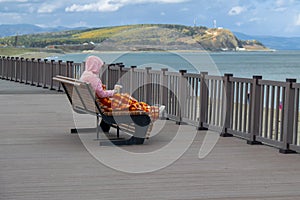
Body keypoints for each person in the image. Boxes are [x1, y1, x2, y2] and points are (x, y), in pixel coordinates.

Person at [79, 56, 165, 120]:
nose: (100, 68)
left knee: (126, 99)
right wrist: (114, 91)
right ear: (95, 66)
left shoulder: (85, 75)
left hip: (96, 104)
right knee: (128, 101)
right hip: (104, 105)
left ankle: (151, 109)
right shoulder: (94, 79)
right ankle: (152, 111)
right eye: (99, 66)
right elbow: (101, 94)